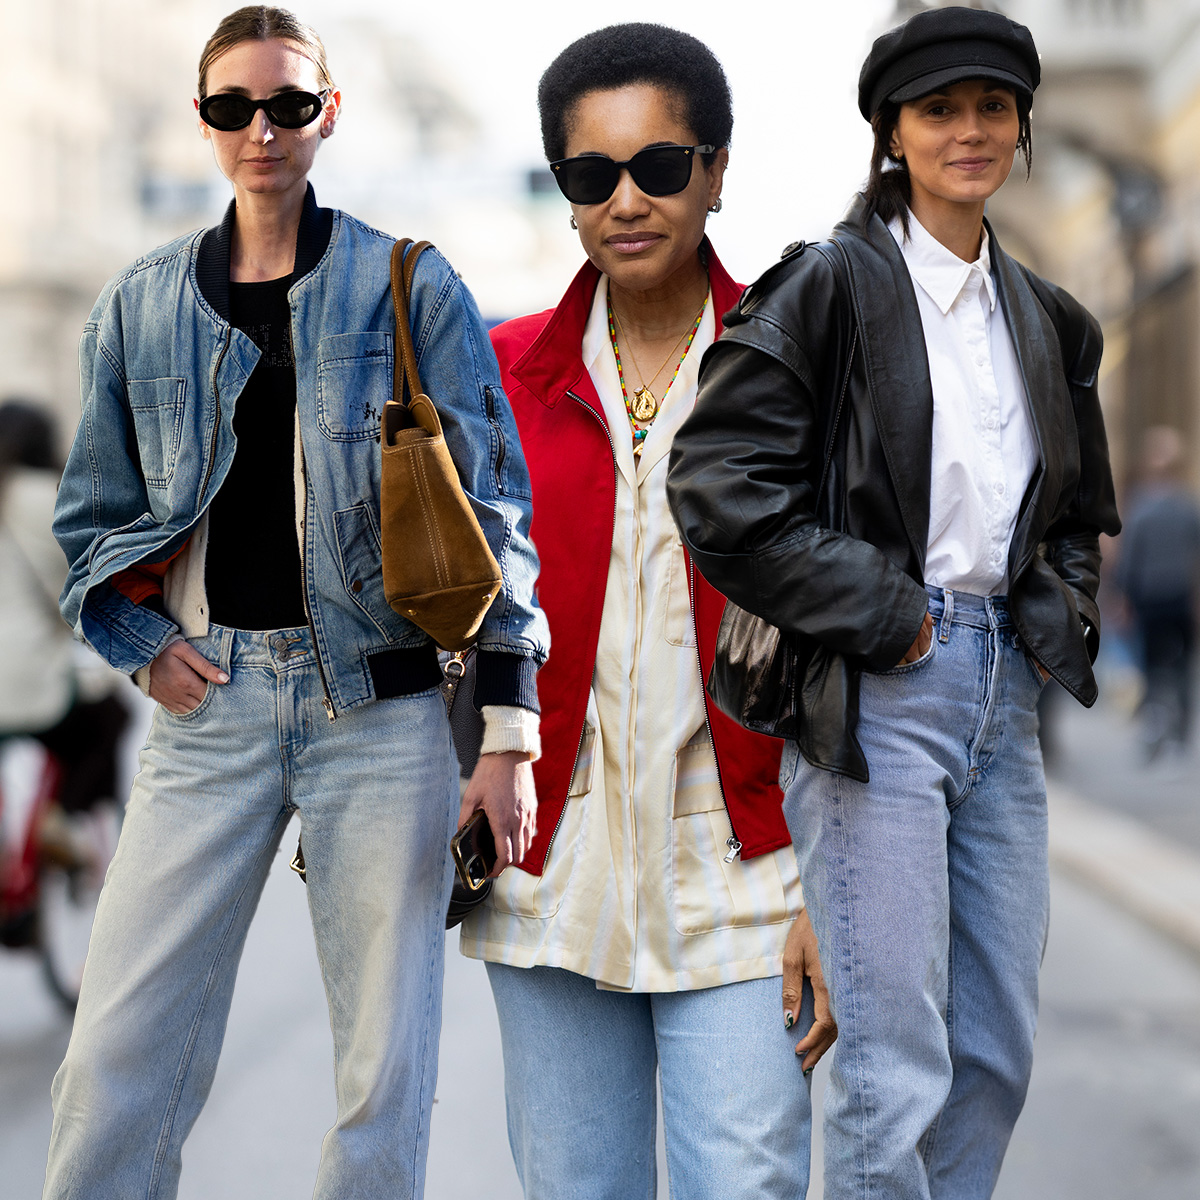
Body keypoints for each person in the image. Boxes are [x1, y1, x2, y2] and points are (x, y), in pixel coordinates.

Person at [43, 7, 547, 1198]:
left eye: (286, 103)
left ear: (328, 112)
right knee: (117, 1051)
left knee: (384, 1075)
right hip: (208, 708)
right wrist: (143, 641)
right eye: (232, 107)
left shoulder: (408, 285)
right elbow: (91, 516)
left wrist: (508, 727)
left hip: (381, 712)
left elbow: (499, 508)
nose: (260, 129)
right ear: (205, 119)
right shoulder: (141, 305)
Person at [667, 8, 1120, 1198]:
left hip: (1001, 703)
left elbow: (1076, 514)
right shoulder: (830, 286)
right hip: (881, 692)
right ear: (892, 133)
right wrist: (886, 612)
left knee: (992, 1054)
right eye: (938, 110)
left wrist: (1045, 624)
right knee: (890, 1064)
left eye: (991, 108)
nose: (968, 131)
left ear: (1022, 126)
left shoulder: (1052, 321)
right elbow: (715, 483)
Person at [459, 24, 834, 1200]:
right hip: (548, 882)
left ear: (716, 171)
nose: (628, 199)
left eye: (660, 166)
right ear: (565, 195)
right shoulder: (496, 373)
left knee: (748, 1186)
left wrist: (837, 889)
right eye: (591, 175)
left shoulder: (801, 375)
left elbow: (852, 648)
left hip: (750, 881)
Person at [0, 400, 129, 860]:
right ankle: (63, 815)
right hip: (31, 680)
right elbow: (76, 583)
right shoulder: (44, 496)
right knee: (111, 718)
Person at [1114, 425, 1200, 759]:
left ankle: (1154, 725)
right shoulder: (1187, 506)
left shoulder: (1141, 507)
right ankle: (1177, 732)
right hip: (1177, 596)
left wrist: (1122, 597)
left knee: (1150, 664)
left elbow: (1129, 558)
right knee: (1181, 666)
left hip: (1150, 598)